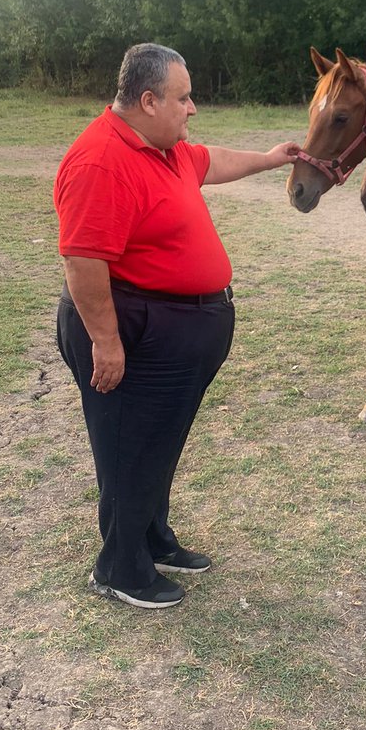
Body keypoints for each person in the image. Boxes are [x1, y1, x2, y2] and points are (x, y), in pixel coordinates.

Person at [54, 43, 299, 610]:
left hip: (174, 329)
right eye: (183, 98)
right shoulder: (100, 161)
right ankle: (120, 568)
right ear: (147, 100)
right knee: (130, 448)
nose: (193, 109)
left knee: (158, 444)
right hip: (131, 328)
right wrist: (106, 343)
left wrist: (272, 157)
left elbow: (212, 161)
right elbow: (83, 261)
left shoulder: (163, 149)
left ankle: (151, 538)